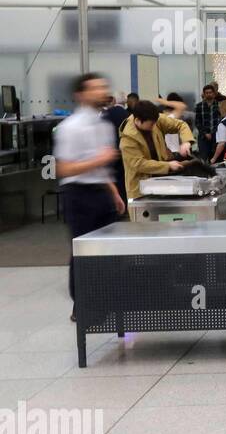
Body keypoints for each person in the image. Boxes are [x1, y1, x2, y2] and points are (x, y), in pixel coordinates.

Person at [55, 74, 125, 311]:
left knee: (107, 250)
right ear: (81, 95)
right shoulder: (70, 127)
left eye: (103, 87)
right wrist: (98, 160)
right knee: (83, 250)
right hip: (79, 194)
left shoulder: (104, 125)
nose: (102, 91)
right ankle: (81, 306)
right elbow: (63, 168)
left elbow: (103, 168)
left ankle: (105, 301)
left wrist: (113, 192)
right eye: (95, 88)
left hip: (101, 192)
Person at [119, 100, 193, 200]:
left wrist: (186, 142)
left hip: (163, 183)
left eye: (154, 123)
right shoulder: (127, 139)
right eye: (151, 124)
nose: (154, 127)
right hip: (140, 190)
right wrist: (168, 166)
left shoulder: (154, 119)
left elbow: (180, 125)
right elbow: (138, 164)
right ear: (137, 121)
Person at [193, 83, 221, 161]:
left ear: (214, 93)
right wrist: (205, 133)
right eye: (207, 93)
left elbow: (220, 121)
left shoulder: (219, 105)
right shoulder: (198, 106)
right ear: (204, 94)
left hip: (216, 135)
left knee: (215, 158)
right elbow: (197, 122)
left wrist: (213, 133)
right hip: (203, 136)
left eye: (210, 92)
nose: (208, 94)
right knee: (203, 158)